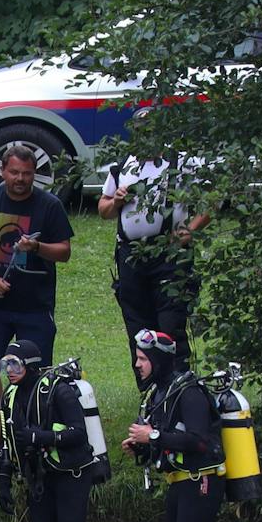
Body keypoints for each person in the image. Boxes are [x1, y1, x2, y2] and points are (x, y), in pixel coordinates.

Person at [0, 146, 74, 448]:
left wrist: (37, 248)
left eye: (26, 173)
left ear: (34, 174)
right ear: (3, 172)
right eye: (14, 173)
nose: (20, 179)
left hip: (35, 305)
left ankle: (29, 434)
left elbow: (64, 251)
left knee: (32, 372)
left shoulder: (49, 205)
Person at [98, 153, 209, 388]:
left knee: (171, 325)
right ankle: (148, 396)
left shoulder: (182, 162)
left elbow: (212, 201)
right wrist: (116, 201)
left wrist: (189, 231)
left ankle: (179, 392)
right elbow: (103, 209)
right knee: (137, 328)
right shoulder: (122, 165)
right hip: (130, 256)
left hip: (170, 255)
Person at [121, 329, 226, 522]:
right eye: (137, 358)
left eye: (142, 358)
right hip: (178, 482)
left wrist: (152, 437)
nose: (137, 364)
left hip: (199, 482)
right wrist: (140, 446)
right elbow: (166, 438)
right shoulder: (157, 393)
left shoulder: (189, 393)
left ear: (158, 360)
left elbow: (199, 442)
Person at [0, 340, 97, 522]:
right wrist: (3, 482)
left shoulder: (58, 391)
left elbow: (79, 433)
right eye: (5, 364)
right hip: (39, 475)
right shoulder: (10, 396)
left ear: (31, 365)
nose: (9, 370)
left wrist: (40, 437)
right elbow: (6, 441)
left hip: (70, 473)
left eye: (15, 363)